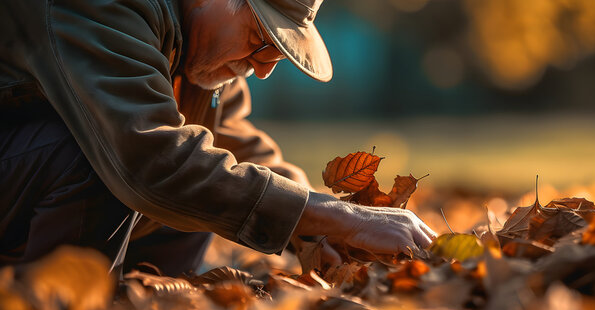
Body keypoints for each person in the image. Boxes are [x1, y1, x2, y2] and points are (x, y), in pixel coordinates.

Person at [0, 0, 436, 275]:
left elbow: (231, 142)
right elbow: (149, 157)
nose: (265, 68)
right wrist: (336, 217)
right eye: (261, 38)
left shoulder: (196, 41)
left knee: (206, 167)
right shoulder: (106, 6)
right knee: (103, 154)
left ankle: (129, 304)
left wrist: (317, 231)